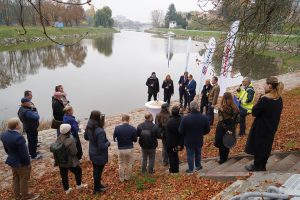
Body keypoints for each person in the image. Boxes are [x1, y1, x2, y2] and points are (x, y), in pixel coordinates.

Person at [245, 77, 284, 171]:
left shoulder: (265, 99)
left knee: (259, 145)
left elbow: (254, 112)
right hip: (272, 126)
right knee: (266, 145)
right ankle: (262, 165)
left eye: (265, 84)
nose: (264, 85)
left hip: (261, 127)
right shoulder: (279, 98)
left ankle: (257, 166)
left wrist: (259, 99)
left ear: (270, 86)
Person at [0, 118, 39, 200]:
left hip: (12, 160)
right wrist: (28, 163)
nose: (20, 125)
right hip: (21, 162)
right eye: (19, 124)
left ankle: (17, 196)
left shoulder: (3, 134)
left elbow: (6, 148)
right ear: (17, 126)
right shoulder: (19, 137)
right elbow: (24, 153)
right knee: (23, 179)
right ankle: (26, 196)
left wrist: (11, 155)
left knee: (15, 178)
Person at [179, 101, 210, 173]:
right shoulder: (204, 117)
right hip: (199, 139)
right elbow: (207, 130)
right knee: (198, 153)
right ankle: (198, 166)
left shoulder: (185, 118)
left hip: (189, 140)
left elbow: (180, 130)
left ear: (190, 108)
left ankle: (190, 169)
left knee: (190, 155)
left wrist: (186, 134)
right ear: (198, 108)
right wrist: (201, 133)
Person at [57, 124, 87, 194]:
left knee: (64, 174)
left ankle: (66, 189)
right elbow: (74, 152)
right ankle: (79, 185)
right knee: (78, 171)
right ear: (69, 131)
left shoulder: (59, 137)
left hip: (60, 160)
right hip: (69, 161)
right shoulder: (70, 140)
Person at [84, 111, 110, 194]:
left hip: (92, 152)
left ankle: (98, 184)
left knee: (95, 170)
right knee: (98, 172)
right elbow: (102, 146)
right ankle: (96, 189)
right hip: (99, 155)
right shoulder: (100, 131)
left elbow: (86, 137)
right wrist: (108, 143)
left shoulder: (89, 126)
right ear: (97, 118)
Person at [214, 92, 240, 164]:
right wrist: (232, 129)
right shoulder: (236, 108)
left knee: (221, 143)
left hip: (222, 128)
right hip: (232, 128)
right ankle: (225, 157)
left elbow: (221, 120)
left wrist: (227, 128)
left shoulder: (222, 108)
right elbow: (238, 120)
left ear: (224, 99)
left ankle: (222, 159)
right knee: (227, 142)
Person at [113, 114, 137, 182]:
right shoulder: (133, 128)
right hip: (129, 148)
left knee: (121, 164)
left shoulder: (117, 128)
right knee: (129, 163)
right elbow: (135, 140)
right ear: (128, 120)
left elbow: (114, 139)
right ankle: (127, 177)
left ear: (122, 120)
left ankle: (121, 178)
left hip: (120, 149)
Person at [165, 106, 184, 173]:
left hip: (172, 142)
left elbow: (167, 134)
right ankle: (176, 168)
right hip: (179, 141)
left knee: (172, 156)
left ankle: (173, 170)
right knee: (175, 155)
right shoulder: (182, 119)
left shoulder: (170, 122)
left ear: (172, 113)